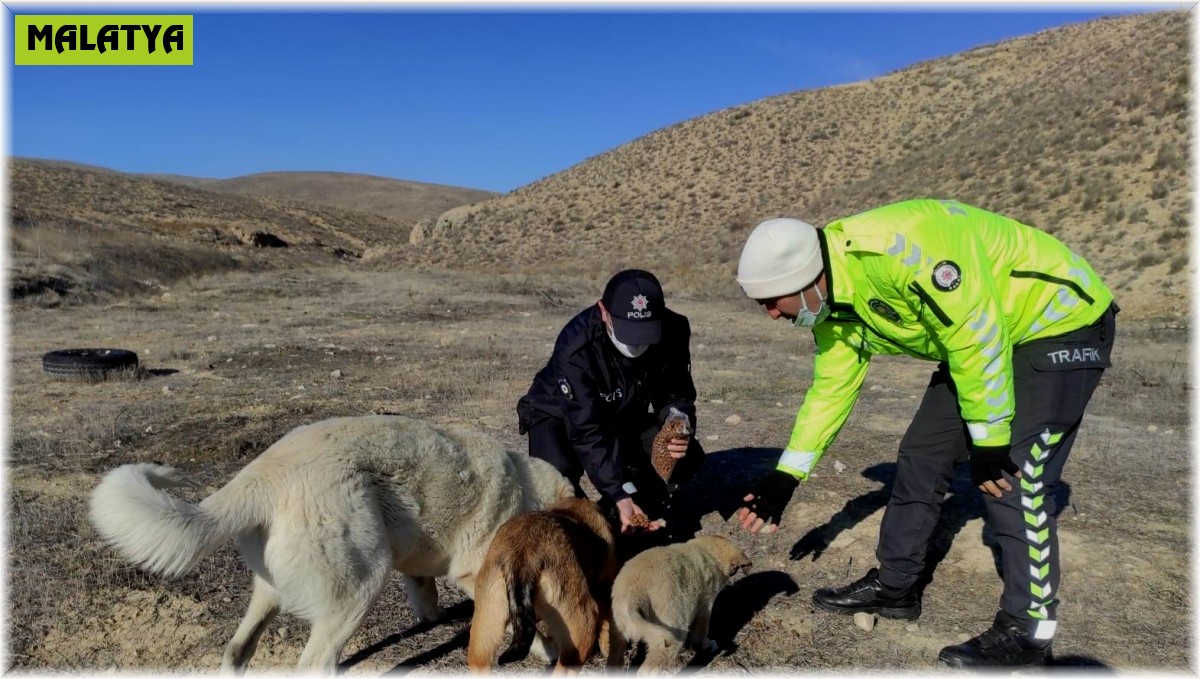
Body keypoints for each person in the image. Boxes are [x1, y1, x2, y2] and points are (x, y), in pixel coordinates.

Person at [733, 199, 1117, 668]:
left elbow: (976, 331)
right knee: (921, 455)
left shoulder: (899, 251)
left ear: (805, 278)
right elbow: (831, 388)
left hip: (1058, 322)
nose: (771, 315)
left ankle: (1029, 632)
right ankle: (896, 587)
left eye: (772, 302)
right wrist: (786, 476)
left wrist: (991, 438)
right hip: (986, 337)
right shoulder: (832, 303)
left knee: (1014, 477)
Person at [517, 269, 704, 534]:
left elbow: (676, 391)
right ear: (604, 312)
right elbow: (587, 430)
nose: (637, 342)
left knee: (685, 457)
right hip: (558, 413)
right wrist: (618, 490)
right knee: (556, 479)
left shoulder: (673, 330)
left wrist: (678, 418)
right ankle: (583, 526)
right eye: (629, 331)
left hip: (621, 412)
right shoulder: (577, 345)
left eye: (646, 332)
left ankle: (622, 513)